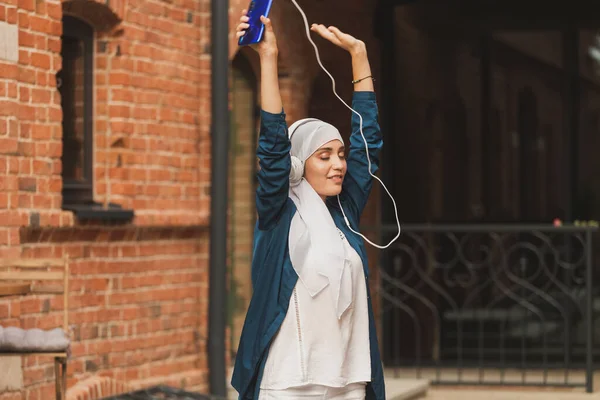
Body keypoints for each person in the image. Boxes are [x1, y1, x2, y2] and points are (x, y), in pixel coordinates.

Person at [231, 9, 386, 400]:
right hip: (288, 384)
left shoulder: (345, 214)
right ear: (299, 164)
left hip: (349, 381)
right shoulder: (278, 213)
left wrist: (360, 58)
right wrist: (268, 58)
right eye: (324, 156)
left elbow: (368, 148)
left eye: (340, 154)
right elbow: (272, 145)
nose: (338, 165)